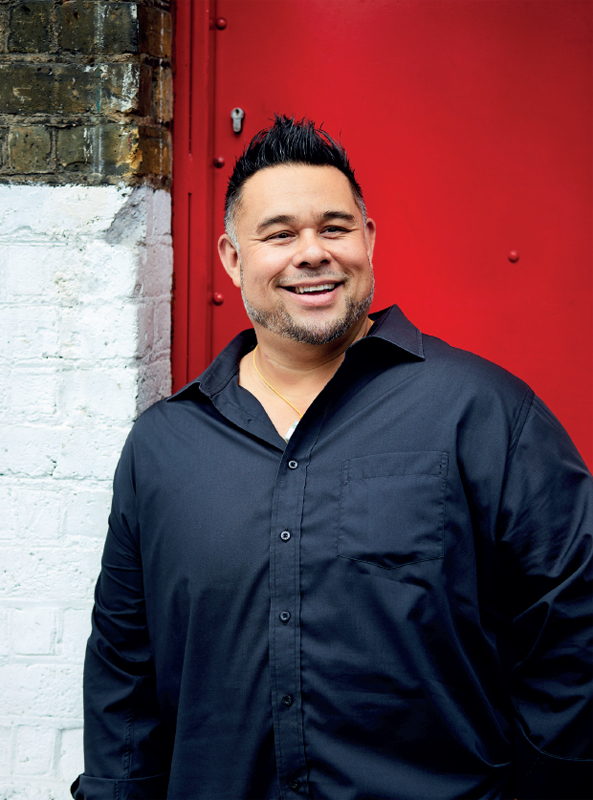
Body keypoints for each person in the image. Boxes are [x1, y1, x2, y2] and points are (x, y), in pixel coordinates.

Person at [72, 116, 592, 800]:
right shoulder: (164, 448)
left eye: (334, 228)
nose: (310, 253)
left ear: (368, 241)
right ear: (232, 258)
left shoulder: (483, 410)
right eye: (279, 234)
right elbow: (123, 671)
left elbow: (572, 631)